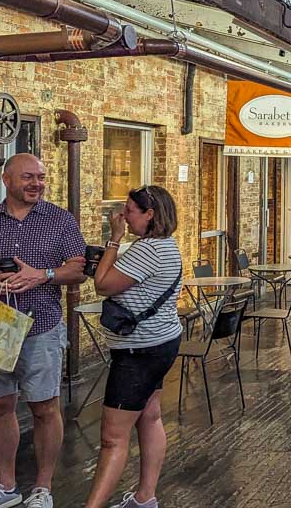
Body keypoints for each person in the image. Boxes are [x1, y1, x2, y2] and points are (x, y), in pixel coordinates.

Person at [0, 153, 87, 508]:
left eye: (41, 178)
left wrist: (42, 274)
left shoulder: (61, 220)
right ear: (6, 180)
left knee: (45, 408)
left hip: (40, 325)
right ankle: (5, 486)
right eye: (28, 177)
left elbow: (78, 269)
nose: (36, 184)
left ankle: (42, 489)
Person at [85, 186, 184, 508]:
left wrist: (113, 240)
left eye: (128, 211)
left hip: (137, 350)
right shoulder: (167, 246)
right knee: (150, 417)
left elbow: (103, 285)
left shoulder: (148, 250)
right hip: (163, 341)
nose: (123, 217)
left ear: (149, 214)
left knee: (112, 438)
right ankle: (144, 498)